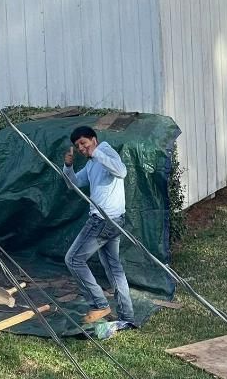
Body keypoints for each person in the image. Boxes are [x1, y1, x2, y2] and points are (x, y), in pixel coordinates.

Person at [62, 125, 135, 326]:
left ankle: (99, 304)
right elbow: (74, 183)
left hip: (102, 220)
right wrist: (68, 167)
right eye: (78, 147)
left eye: (84, 143)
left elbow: (122, 171)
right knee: (114, 268)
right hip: (114, 221)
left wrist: (97, 153)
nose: (82, 149)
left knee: (74, 259)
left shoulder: (105, 151)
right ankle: (127, 317)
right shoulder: (92, 163)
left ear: (94, 140)